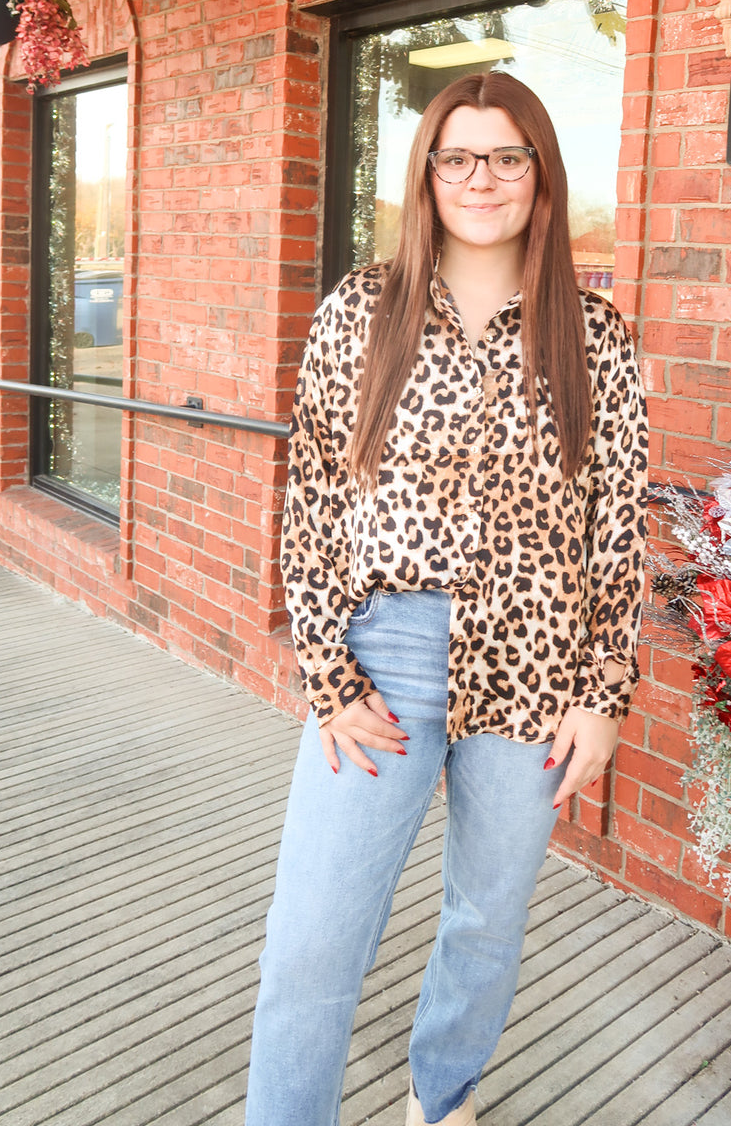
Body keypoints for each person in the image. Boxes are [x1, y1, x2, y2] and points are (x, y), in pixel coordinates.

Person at [245, 71, 647, 1126]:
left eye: (507, 156)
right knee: (315, 935)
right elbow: (314, 502)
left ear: (540, 176)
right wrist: (328, 675)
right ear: (427, 176)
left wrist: (603, 693)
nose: (482, 179)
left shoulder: (593, 335)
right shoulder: (360, 311)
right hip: (387, 657)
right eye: (458, 157)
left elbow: (618, 526)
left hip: (536, 669)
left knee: (484, 916)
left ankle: (445, 1099)